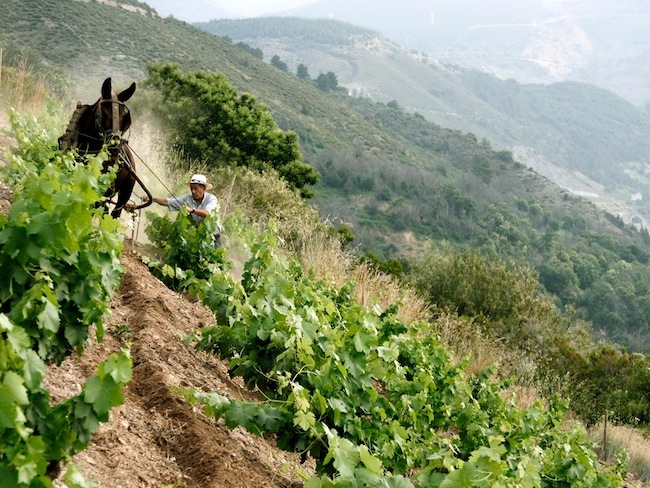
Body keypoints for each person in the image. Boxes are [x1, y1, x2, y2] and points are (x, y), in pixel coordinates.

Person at [148, 174, 222, 245]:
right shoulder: (187, 198)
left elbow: (207, 213)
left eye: (195, 188)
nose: (193, 191)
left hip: (213, 238)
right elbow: (169, 202)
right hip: (199, 238)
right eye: (191, 189)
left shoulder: (211, 199)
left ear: (203, 188)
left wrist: (192, 210)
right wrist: (151, 199)